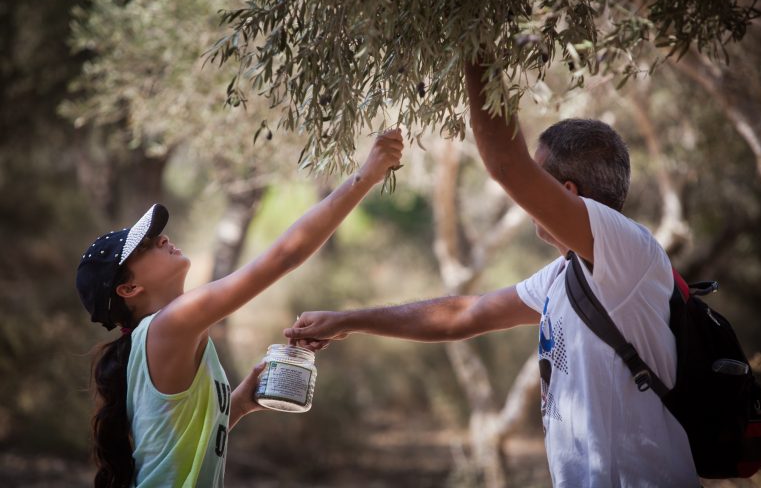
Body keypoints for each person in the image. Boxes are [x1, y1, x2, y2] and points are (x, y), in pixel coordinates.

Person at [285, 63, 700, 487]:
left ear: (566, 193)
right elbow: (464, 315)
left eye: (539, 178)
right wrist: (347, 322)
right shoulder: (567, 275)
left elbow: (505, 164)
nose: (527, 197)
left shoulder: (626, 251)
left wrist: (475, 45)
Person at [76, 129, 403, 487]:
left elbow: (176, 443)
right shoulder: (171, 323)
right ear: (129, 288)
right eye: (147, 246)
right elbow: (284, 256)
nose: (163, 239)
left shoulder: (162, 335)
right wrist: (365, 176)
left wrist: (238, 405)